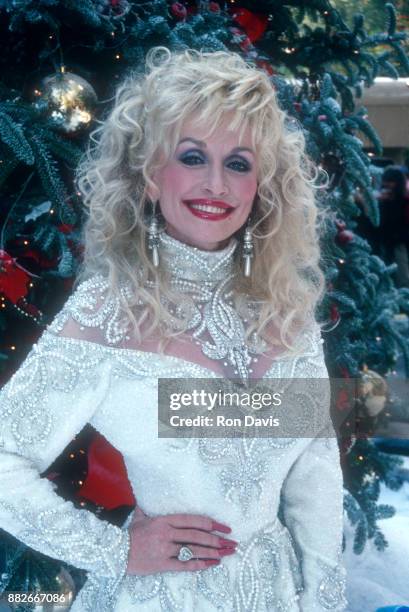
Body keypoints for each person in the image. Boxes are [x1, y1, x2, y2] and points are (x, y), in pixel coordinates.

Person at [0, 47, 347, 611]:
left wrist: (323, 595)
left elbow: (313, 466)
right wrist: (114, 552)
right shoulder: (110, 309)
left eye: (238, 163)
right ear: (148, 176)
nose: (216, 183)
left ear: (261, 184)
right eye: (191, 156)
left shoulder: (286, 306)